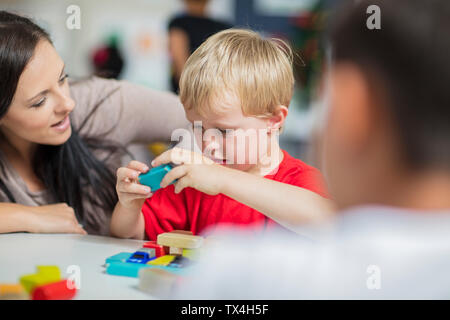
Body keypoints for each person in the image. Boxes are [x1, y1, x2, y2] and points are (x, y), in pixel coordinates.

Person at [170, 0, 450, 299]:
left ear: (354, 107)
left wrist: (221, 179)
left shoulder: (234, 274)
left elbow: (325, 216)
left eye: (326, 100)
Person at [111, 29, 334, 240]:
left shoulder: (297, 181)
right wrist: (130, 206)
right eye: (198, 127)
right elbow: (130, 234)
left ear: (273, 120)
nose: (208, 143)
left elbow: (328, 222)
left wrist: (221, 178)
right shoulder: (193, 181)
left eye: (224, 131)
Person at [0, 11, 188, 236]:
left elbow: (211, 121)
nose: (68, 103)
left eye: (62, 79)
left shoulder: (100, 103)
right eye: (39, 102)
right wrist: (26, 216)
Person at [168, 0, 232, 93]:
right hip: (213, 93)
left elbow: (180, 62)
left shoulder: (178, 24)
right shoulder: (223, 27)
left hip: (189, 94)